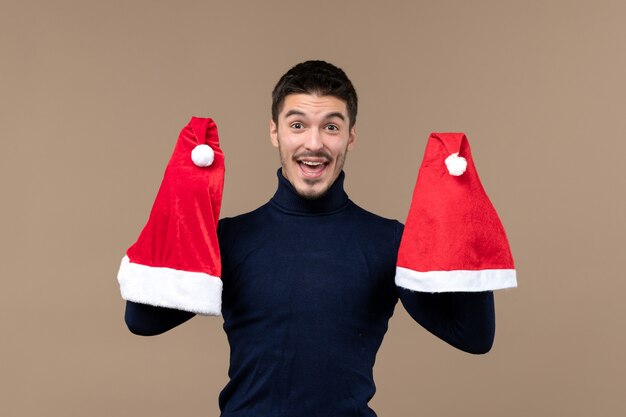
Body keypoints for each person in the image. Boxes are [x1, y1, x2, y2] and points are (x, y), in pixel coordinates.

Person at [124, 60, 496, 417]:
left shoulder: (389, 241)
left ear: (351, 136)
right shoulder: (228, 239)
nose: (314, 144)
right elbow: (142, 321)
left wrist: (463, 216)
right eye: (298, 125)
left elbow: (473, 337)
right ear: (275, 132)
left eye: (331, 127)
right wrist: (181, 203)